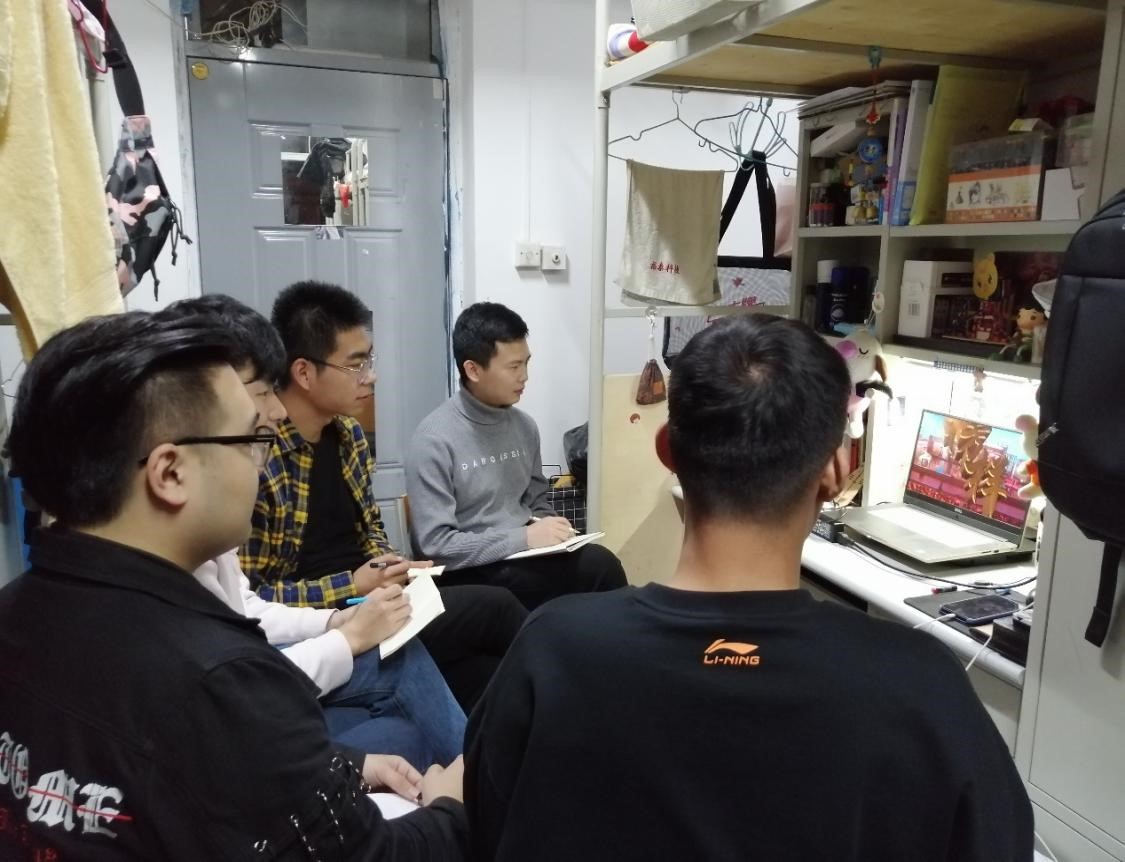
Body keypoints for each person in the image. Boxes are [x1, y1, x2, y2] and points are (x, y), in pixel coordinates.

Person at [464, 314, 1034, 861]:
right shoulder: (923, 685)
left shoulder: (552, 650)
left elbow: (488, 827)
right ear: (835, 472)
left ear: (668, 452)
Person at [0, 312, 466, 860]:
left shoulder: (18, 611)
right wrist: (452, 807)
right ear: (170, 473)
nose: (261, 465)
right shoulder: (220, 680)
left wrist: (349, 764)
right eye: (253, 440)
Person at [161, 295, 465, 769]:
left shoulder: (348, 438)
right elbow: (235, 687)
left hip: (332, 611)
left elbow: (245, 606)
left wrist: (348, 610)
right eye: (262, 393)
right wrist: (348, 616)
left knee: (473, 623)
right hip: (310, 615)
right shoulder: (243, 477)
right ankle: (481, 782)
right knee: (415, 663)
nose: (276, 411)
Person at [241, 281, 526, 710]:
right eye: (355, 365)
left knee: (483, 672)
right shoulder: (261, 457)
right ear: (303, 373)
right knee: (495, 607)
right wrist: (352, 584)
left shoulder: (350, 435)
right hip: (329, 620)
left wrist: (388, 563)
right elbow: (252, 598)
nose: (370, 376)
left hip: (377, 596)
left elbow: (370, 528)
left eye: (368, 361)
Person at [405, 301, 627, 610]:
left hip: (523, 555)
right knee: (568, 583)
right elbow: (436, 545)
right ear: (473, 370)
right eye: (513, 367)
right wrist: (524, 538)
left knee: (602, 563)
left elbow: (536, 500)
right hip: (469, 569)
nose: (524, 376)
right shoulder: (434, 438)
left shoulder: (524, 427)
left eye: (526, 363)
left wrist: (555, 529)